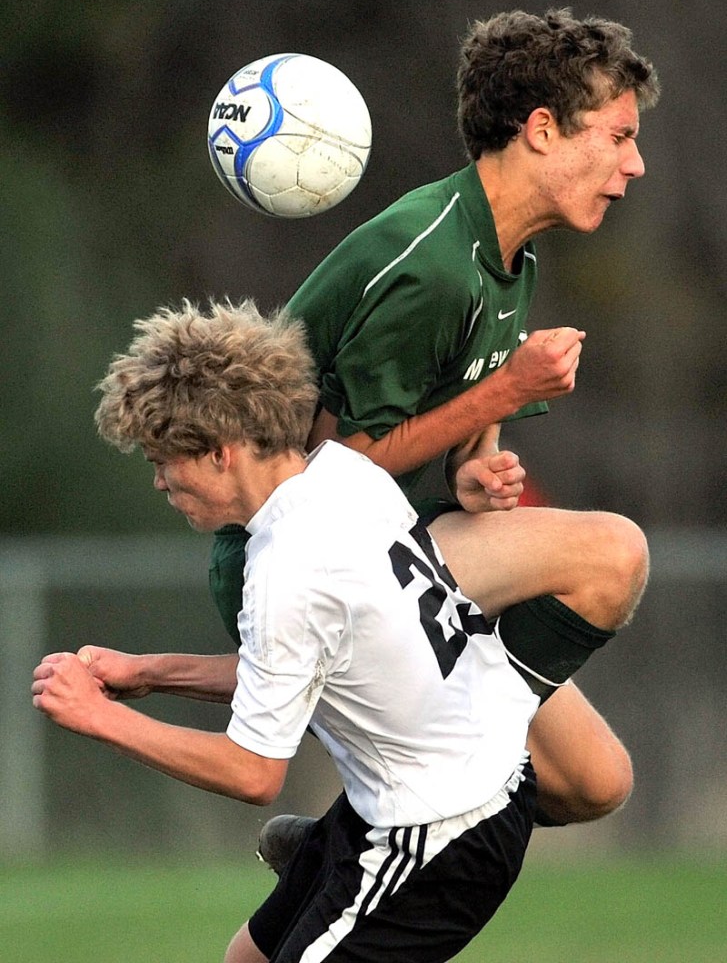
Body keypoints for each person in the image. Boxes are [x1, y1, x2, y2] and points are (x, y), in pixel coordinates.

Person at [32, 299, 624, 963]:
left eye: (163, 459)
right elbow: (301, 667)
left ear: (223, 452)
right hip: (435, 790)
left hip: (435, 835)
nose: (160, 481)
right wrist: (146, 673)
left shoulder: (286, 565)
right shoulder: (341, 475)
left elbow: (252, 773)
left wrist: (97, 718)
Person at [209, 8, 660, 850]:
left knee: (593, 782)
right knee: (612, 553)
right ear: (540, 129)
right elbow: (334, 471)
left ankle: (334, 842)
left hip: (392, 546)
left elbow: (433, 443)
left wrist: (470, 475)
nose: (634, 164)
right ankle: (448, 764)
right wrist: (505, 391)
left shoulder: (509, 253)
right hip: (297, 565)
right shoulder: (431, 262)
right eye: (619, 135)